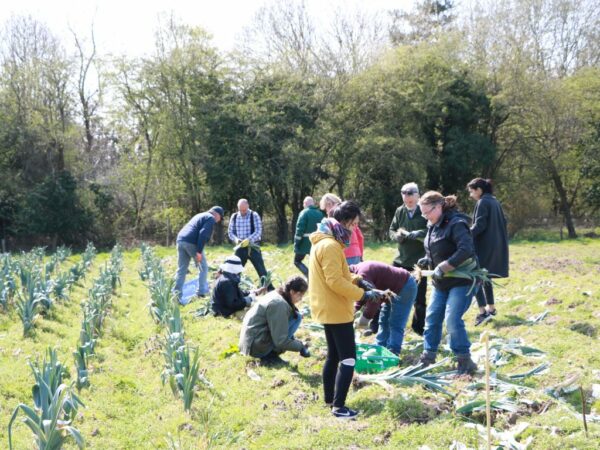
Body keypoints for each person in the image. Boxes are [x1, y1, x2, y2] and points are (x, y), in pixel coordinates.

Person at [309, 200, 383, 419]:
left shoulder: (324, 241)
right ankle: (339, 408)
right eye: (354, 225)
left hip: (327, 308)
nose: (354, 229)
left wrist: (359, 280)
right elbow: (334, 282)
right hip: (336, 309)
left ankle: (329, 399)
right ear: (346, 222)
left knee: (333, 356)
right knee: (348, 358)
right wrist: (363, 295)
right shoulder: (331, 246)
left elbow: (338, 275)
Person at [417, 191, 478, 375]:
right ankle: (428, 357)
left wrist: (444, 266)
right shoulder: (432, 225)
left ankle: (464, 360)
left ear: (439, 206)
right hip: (441, 283)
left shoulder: (456, 223)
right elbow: (436, 247)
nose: (425, 216)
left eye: (427, 212)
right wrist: (427, 259)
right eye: (423, 213)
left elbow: (465, 249)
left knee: (451, 320)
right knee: (432, 318)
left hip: (461, 281)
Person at [349, 261, 417, 355]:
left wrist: (365, 319)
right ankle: (380, 347)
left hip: (405, 286)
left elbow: (374, 300)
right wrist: (354, 310)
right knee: (384, 320)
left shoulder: (362, 275)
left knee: (395, 322)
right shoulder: (356, 274)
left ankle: (393, 351)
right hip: (391, 290)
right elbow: (363, 294)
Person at [239, 275, 311, 365]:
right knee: (297, 318)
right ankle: (270, 355)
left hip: (251, 341)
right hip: (255, 347)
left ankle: (270, 353)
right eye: (300, 295)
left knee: (295, 316)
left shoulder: (277, 294)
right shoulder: (279, 305)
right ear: (292, 292)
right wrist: (300, 346)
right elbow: (281, 341)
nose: (301, 299)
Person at [467, 178, 509, 326]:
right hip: (495, 245)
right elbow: (504, 222)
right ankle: (491, 308)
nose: (471, 195)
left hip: (483, 246)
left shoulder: (482, 202)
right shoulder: (494, 201)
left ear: (479, 190)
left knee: (476, 277)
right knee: (486, 277)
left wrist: (465, 235)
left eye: (472, 192)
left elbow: (479, 225)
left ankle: (482, 312)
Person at [389, 182, 429, 336]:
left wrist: (419, 233)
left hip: (419, 262)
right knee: (390, 294)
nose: (408, 197)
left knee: (419, 298)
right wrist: (396, 236)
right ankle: (389, 325)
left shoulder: (424, 209)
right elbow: (392, 229)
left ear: (418, 194)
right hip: (401, 259)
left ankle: (419, 328)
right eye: (404, 193)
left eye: (411, 193)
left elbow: (433, 229)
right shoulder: (400, 211)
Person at [174, 206, 224, 304]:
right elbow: (203, 233)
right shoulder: (210, 218)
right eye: (221, 217)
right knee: (203, 267)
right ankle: (201, 292)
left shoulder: (200, 215)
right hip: (191, 242)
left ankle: (176, 296)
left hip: (180, 240)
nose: (219, 220)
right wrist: (199, 251)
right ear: (216, 214)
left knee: (182, 269)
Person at [227, 199, 271, 289]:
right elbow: (230, 232)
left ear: (248, 206)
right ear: (238, 208)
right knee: (235, 269)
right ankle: (233, 288)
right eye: (241, 210)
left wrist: (248, 240)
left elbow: (258, 231)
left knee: (261, 269)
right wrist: (236, 240)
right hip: (240, 247)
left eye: (244, 210)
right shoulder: (234, 216)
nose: (243, 212)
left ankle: (268, 288)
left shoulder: (254, 215)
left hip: (253, 246)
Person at [319, 193, 364, 265]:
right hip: (356, 253)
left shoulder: (333, 217)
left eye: (325, 208)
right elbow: (360, 237)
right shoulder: (349, 212)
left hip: (344, 253)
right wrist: (360, 254)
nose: (326, 211)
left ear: (329, 204)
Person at [293, 196, 324, 277]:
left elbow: (299, 229)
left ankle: (309, 276)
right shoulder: (320, 213)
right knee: (315, 262)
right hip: (317, 242)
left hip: (304, 242)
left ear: (305, 204)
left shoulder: (303, 213)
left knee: (297, 261)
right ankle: (317, 278)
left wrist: (296, 244)